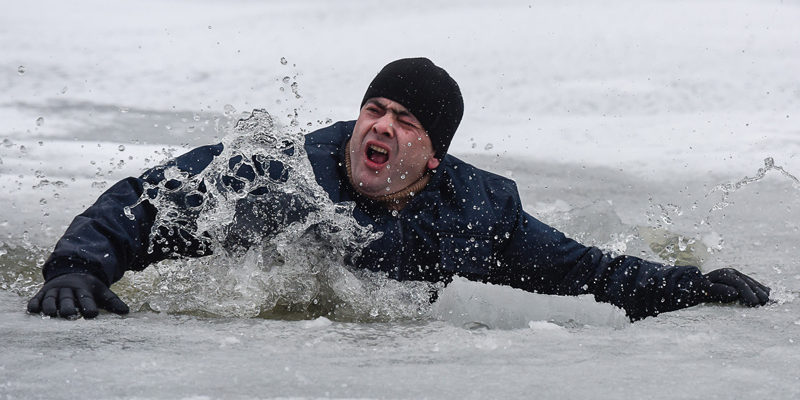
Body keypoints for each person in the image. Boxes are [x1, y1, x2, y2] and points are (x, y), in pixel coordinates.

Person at [27, 58, 770, 321]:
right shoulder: (279, 172)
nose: (378, 127)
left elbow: (586, 269)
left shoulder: (479, 212)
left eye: (404, 120)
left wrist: (683, 286)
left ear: (434, 155)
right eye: (373, 109)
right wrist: (76, 264)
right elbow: (149, 199)